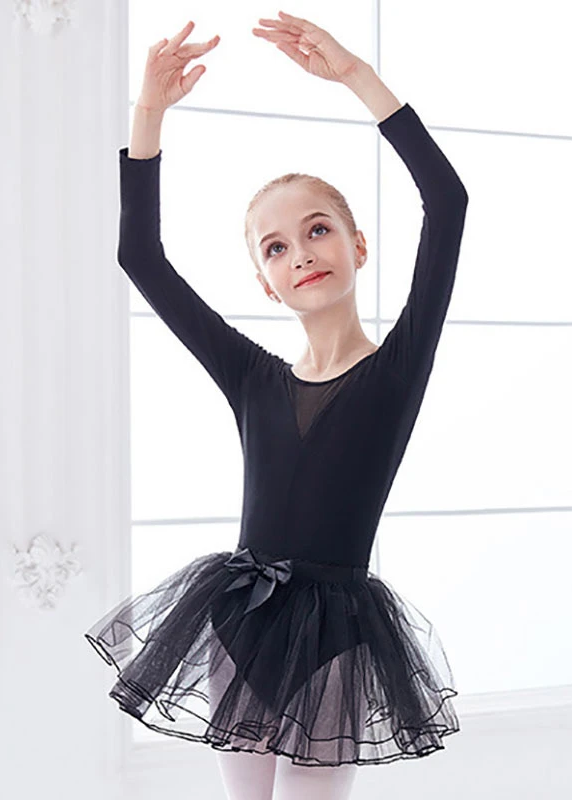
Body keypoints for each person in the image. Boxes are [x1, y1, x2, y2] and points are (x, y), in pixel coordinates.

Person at [84, 12, 469, 800]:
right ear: (265, 282)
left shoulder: (395, 371)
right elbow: (140, 256)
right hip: (238, 624)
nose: (301, 255)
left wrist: (355, 75)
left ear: (358, 245)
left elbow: (448, 200)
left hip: (336, 641)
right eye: (276, 247)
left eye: (318, 230)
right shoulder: (252, 378)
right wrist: (149, 112)